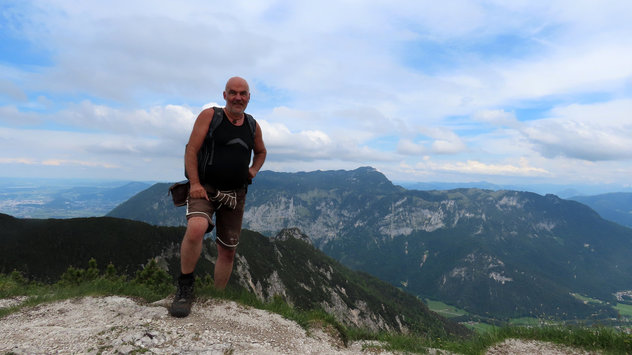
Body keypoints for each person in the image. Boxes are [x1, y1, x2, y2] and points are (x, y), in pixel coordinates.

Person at [170, 76, 267, 317]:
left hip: (235, 194)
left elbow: (262, 152)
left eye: (243, 93)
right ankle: (185, 288)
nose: (238, 97)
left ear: (249, 98)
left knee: (228, 250)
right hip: (205, 188)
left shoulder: (252, 125)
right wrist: (194, 183)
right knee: (196, 228)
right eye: (233, 92)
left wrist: (253, 170)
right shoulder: (210, 116)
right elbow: (191, 149)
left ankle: (218, 296)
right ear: (224, 95)